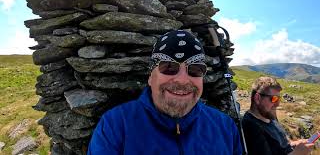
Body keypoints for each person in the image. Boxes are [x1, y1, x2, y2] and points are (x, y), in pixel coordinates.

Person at [87, 30, 243, 154]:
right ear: (150, 77)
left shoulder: (225, 127)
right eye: (169, 67)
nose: (182, 80)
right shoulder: (115, 126)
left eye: (195, 69)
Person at [242, 76, 314, 155]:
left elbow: (281, 146)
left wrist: (296, 144)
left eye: (278, 99)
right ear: (257, 98)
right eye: (274, 99)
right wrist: (297, 153)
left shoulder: (269, 115)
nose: (277, 104)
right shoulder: (251, 127)